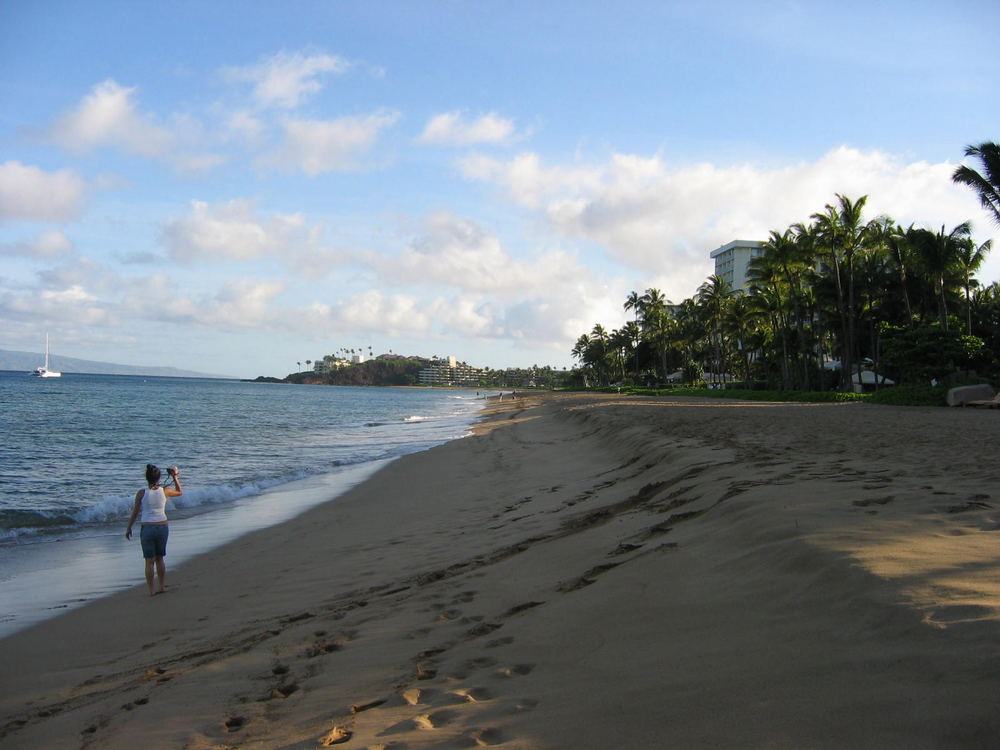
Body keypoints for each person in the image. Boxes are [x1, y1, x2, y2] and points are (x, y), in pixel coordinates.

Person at [125, 464, 182, 596]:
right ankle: (161, 586)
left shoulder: (141, 493)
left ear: (147, 478)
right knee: (160, 559)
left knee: (149, 561)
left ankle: (151, 590)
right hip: (162, 526)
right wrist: (175, 476)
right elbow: (180, 492)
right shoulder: (165, 491)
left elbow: (135, 512)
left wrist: (129, 528)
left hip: (148, 527)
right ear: (158, 477)